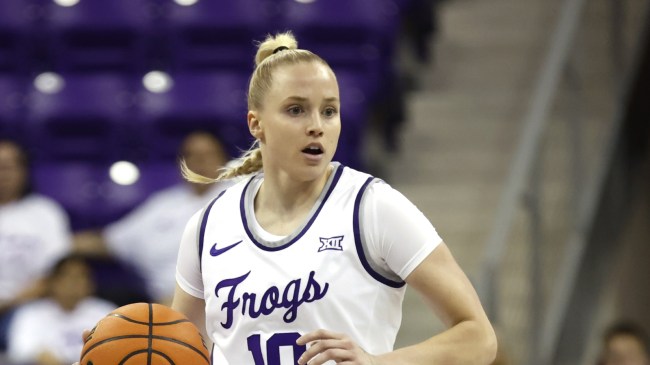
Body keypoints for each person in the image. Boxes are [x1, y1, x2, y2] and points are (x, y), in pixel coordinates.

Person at [170, 31, 497, 365]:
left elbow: (479, 338)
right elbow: (178, 353)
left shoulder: (373, 208)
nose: (317, 126)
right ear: (256, 123)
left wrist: (376, 363)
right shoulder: (209, 225)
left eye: (329, 111)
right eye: (296, 110)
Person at [73, 131, 234, 304]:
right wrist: (57, 243)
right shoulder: (163, 204)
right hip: (164, 308)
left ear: (224, 159)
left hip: (226, 302)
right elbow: (110, 241)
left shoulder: (242, 198)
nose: (199, 161)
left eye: (207, 155)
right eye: (191, 155)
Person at [0, 140, 72, 350]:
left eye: (7, 167)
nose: (2, 174)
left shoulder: (44, 213)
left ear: (24, 171)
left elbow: (56, 272)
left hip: (24, 307)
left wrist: (7, 303)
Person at [7, 253, 116, 365]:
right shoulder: (31, 313)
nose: (73, 283)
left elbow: (116, 348)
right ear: (53, 282)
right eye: (67, 276)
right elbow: (20, 350)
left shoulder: (105, 311)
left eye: (81, 277)